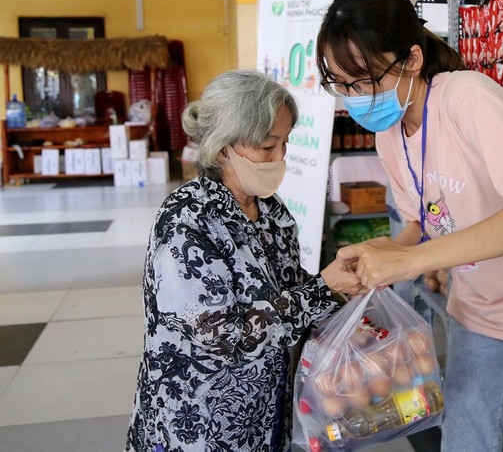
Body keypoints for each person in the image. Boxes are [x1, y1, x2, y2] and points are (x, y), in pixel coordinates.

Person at [315, 0, 503, 452]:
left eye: (365, 80)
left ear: (412, 59)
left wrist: (415, 261)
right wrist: (381, 253)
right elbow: (420, 222)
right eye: (342, 84)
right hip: (477, 307)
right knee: (465, 437)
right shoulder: (390, 135)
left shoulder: (467, 98)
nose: (353, 97)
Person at [126, 70, 362, 451]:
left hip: (265, 412)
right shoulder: (186, 221)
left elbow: (283, 287)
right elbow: (221, 334)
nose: (280, 157)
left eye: (285, 143)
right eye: (267, 147)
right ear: (223, 149)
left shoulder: (270, 209)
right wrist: (323, 290)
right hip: (200, 421)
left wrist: (342, 291)